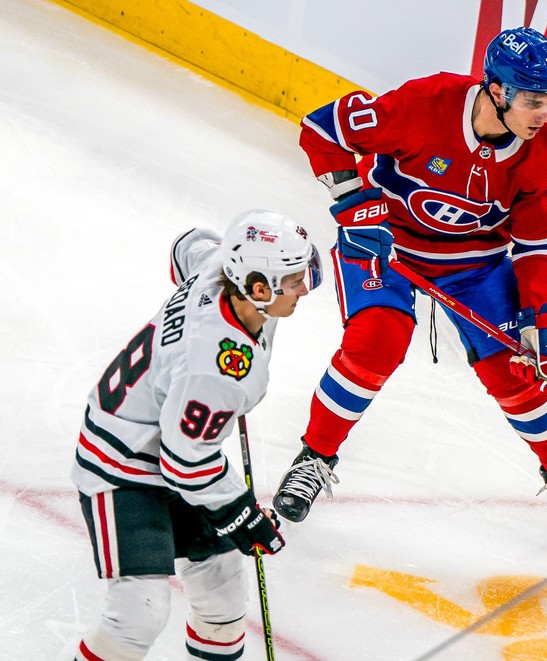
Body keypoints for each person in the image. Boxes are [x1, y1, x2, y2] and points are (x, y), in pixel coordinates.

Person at [270, 26, 547, 537]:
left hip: (476, 263)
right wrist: (356, 205)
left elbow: (544, 246)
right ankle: (315, 458)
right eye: (534, 100)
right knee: (375, 343)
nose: (545, 113)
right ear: (498, 91)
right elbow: (322, 130)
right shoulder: (426, 103)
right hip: (387, 243)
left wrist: (539, 317)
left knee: (520, 372)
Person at [71, 210, 322, 660]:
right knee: (137, 616)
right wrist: (243, 515)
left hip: (176, 442)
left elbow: (188, 243)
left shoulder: (219, 268)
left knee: (223, 601)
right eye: (295, 279)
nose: (305, 288)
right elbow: (187, 464)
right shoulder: (219, 369)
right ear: (259, 288)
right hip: (123, 465)